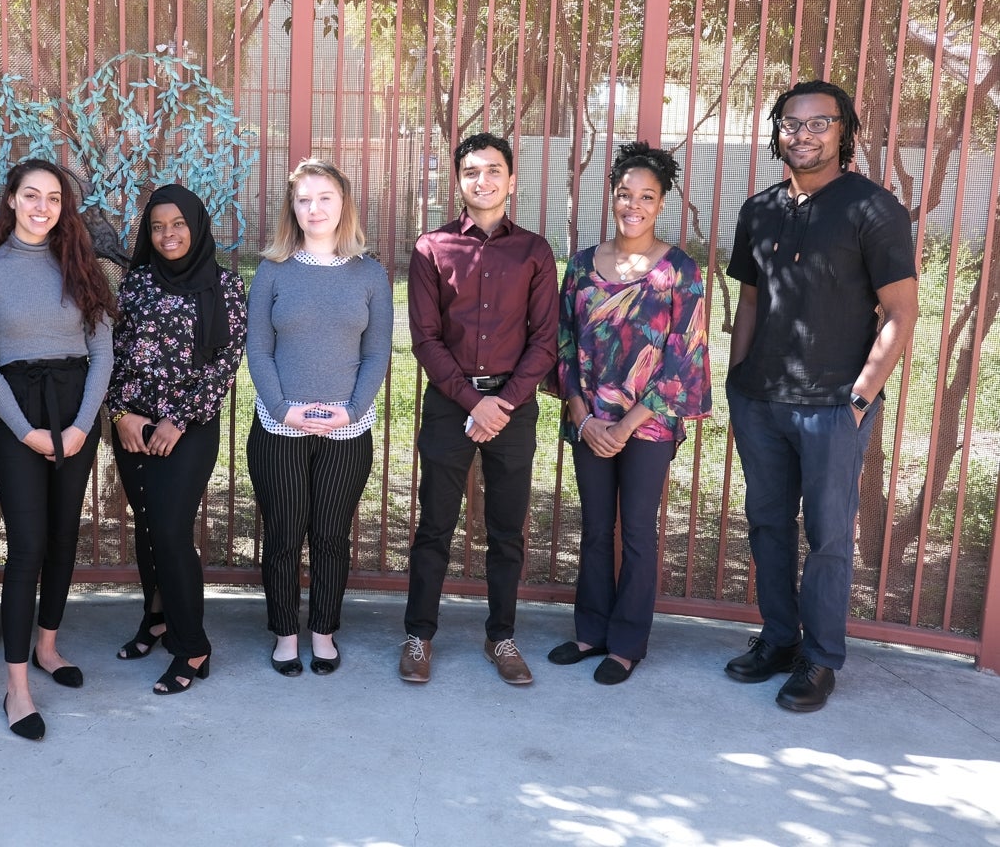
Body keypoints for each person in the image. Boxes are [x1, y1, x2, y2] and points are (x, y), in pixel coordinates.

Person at [723, 79, 917, 712]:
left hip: (834, 407)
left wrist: (859, 400)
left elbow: (900, 313)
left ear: (844, 132)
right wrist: (737, 380)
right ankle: (779, 639)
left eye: (818, 124)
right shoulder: (760, 209)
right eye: (790, 123)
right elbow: (750, 301)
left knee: (829, 537)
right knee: (767, 527)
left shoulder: (872, 207)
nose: (802, 135)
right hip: (762, 401)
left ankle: (819, 657)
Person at [550, 142, 711, 685]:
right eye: (625, 194)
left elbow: (682, 357)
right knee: (595, 529)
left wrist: (623, 424)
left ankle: (626, 643)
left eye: (646, 196)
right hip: (588, 422)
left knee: (637, 530)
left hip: (647, 426)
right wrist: (582, 415)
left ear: (662, 202)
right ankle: (590, 632)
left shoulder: (680, 271)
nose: (633, 205)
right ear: (611, 196)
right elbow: (564, 345)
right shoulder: (579, 267)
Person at [400, 132, 558, 685]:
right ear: (459, 180)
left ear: (511, 180)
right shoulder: (431, 248)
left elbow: (545, 341)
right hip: (450, 404)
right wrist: (472, 402)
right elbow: (425, 338)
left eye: (494, 170)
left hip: (513, 408)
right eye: (471, 171)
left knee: (507, 529)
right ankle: (418, 636)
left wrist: (503, 404)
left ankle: (502, 637)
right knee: (434, 526)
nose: (483, 180)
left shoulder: (534, 250)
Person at [0, 159, 115, 738]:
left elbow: (101, 354)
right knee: (27, 545)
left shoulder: (82, 267)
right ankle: (18, 687)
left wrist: (81, 427)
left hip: (76, 411)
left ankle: (49, 646)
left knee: (62, 536)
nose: (42, 206)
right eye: (31, 195)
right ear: (10, 201)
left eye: (53, 198)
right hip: (17, 414)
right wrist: (26, 432)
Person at [246, 160, 393, 677]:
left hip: (345, 431)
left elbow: (377, 354)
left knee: (330, 536)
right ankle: (286, 634)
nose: (314, 208)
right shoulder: (272, 270)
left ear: (343, 203)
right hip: (279, 427)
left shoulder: (371, 273)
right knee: (284, 536)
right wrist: (285, 408)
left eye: (324, 197)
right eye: (304, 199)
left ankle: (323, 632)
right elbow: (258, 351)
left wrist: (350, 410)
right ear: (293, 208)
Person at [107, 185, 247, 694]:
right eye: (158, 226)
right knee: (146, 526)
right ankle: (156, 619)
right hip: (132, 426)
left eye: (178, 224)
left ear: (197, 225)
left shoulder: (225, 285)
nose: (168, 234)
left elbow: (225, 363)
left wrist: (177, 419)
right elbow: (113, 353)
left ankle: (192, 645)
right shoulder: (136, 283)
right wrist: (121, 413)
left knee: (169, 529)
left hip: (187, 428)